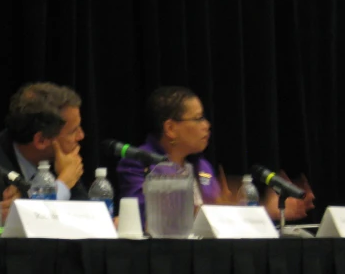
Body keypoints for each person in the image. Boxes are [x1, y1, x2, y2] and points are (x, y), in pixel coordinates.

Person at [117, 85, 315, 224]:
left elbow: (217, 214)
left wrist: (268, 211)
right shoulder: (136, 163)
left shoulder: (201, 167)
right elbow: (146, 214)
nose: (206, 125)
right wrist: (219, 209)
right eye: (198, 118)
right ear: (170, 128)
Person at [0, 82, 87, 233]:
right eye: (73, 131)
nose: (81, 136)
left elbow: (86, 224)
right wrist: (63, 184)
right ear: (41, 140)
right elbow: (30, 227)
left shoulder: (60, 161)